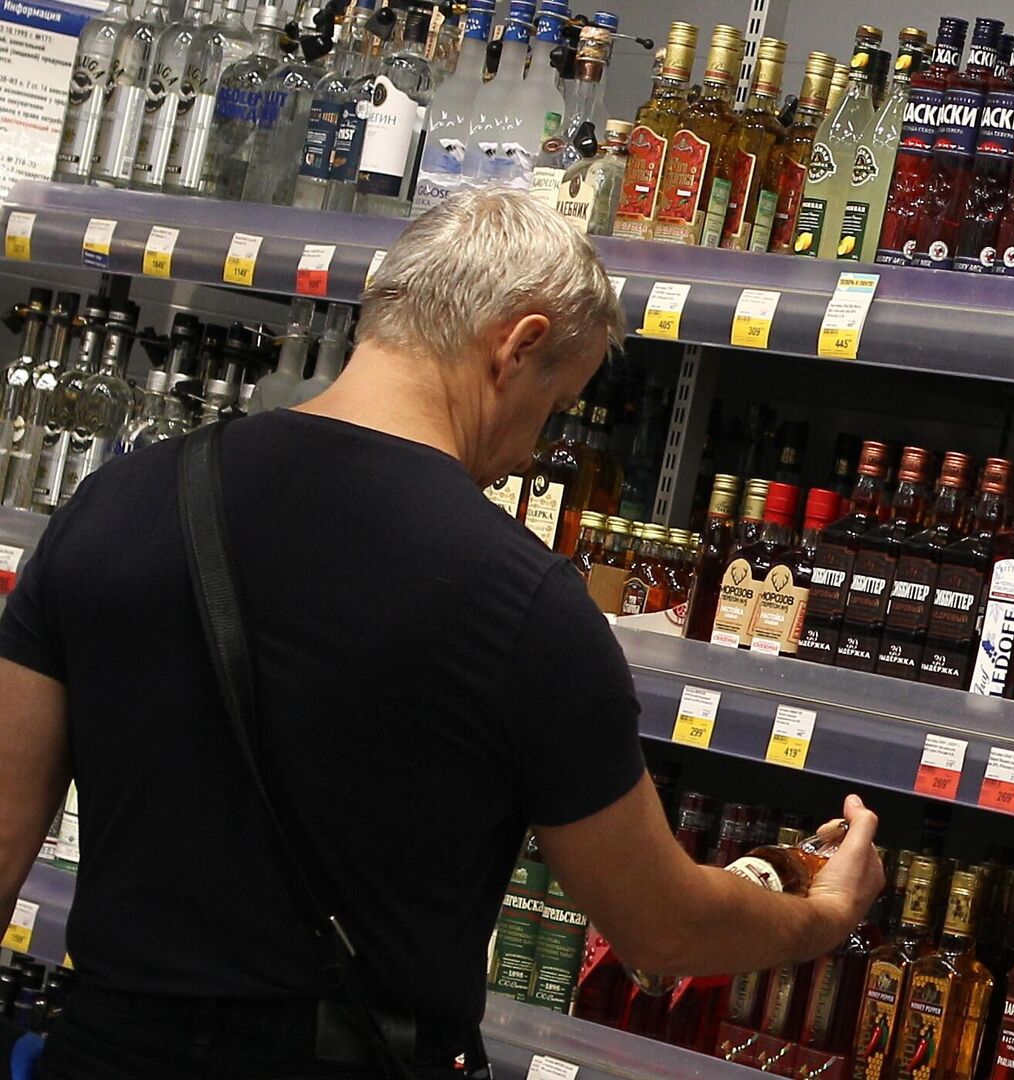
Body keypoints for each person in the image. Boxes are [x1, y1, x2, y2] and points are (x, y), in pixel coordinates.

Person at [0, 188, 885, 1078]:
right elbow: (660, 927)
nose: (535, 449)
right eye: (556, 404)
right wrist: (821, 914)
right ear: (519, 345)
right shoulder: (524, 604)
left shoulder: (114, 504)